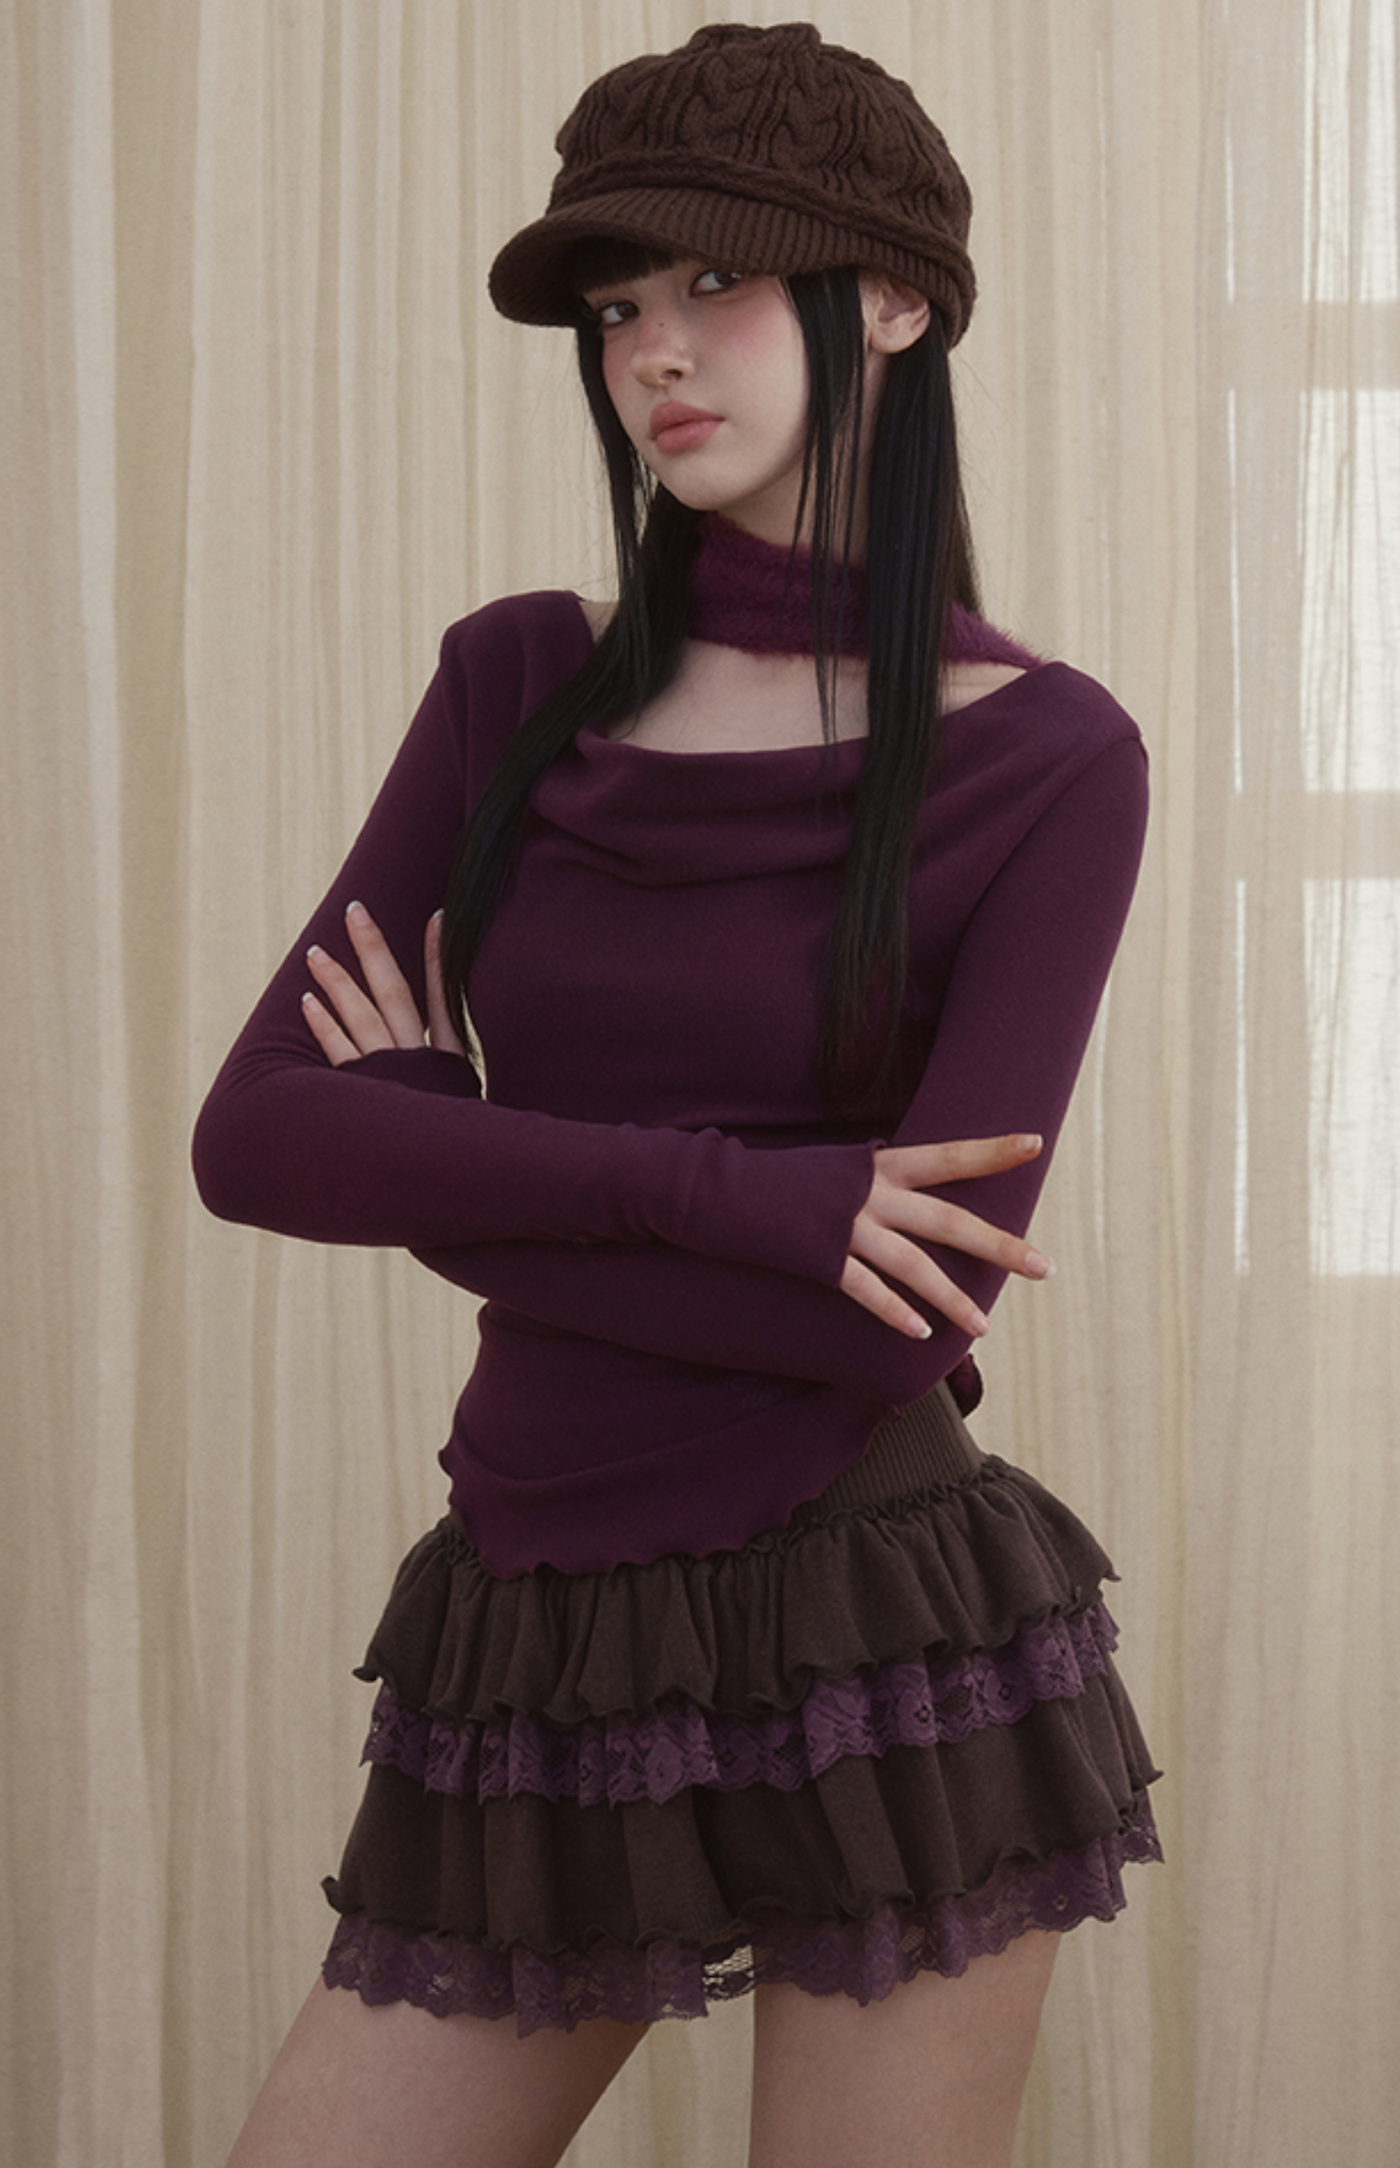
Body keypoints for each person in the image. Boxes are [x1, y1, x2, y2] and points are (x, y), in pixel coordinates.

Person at [193, 22, 1159, 2168]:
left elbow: (899, 1316)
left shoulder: (1047, 758)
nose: (652, 350)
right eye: (617, 305)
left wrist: (440, 1145)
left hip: (880, 1616)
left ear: (888, 301)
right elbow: (254, 1140)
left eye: (715, 282)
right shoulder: (517, 679)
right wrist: (763, 1203)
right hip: (526, 1613)